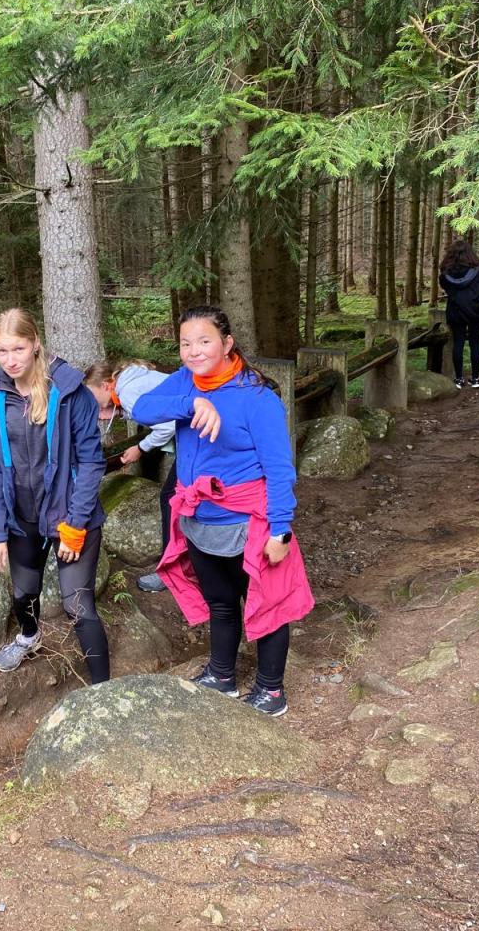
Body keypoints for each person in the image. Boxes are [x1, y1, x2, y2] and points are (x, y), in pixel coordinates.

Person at [130, 305, 314, 717]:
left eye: (204, 341)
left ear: (227, 343)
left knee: (267, 605)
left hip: (248, 521)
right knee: (221, 601)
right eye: (185, 343)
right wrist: (193, 403)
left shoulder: (257, 399)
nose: (194, 351)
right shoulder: (186, 382)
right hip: (199, 517)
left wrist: (280, 529)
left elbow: (279, 469)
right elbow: (141, 408)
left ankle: (271, 690)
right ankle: (222, 674)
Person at [0, 308, 111, 684]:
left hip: (69, 512)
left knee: (77, 605)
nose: (10, 360)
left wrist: (76, 525)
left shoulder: (70, 393)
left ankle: (103, 690)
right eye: (2, 351)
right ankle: (29, 636)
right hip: (22, 515)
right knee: (23, 594)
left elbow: (91, 462)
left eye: (18, 349)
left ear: (35, 343)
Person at [83, 359, 176, 593]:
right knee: (173, 498)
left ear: (106, 385)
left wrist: (141, 448)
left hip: (203, 441)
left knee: (172, 500)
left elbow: (168, 426)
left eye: (92, 395)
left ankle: (172, 571)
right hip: (204, 436)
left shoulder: (128, 393)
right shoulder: (131, 384)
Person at [438, 239, 479, 390]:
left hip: (456, 309)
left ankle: (459, 379)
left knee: (458, 342)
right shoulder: (478, 270)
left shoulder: (446, 272)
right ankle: (475, 379)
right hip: (476, 308)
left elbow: (445, 287)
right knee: (475, 343)